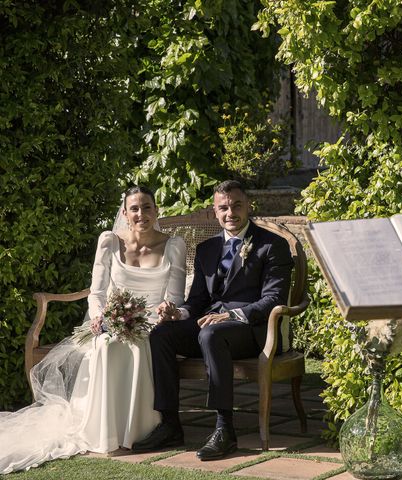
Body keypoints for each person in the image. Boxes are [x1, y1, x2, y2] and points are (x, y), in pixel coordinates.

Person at [0, 185, 187, 474]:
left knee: (139, 347)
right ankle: (105, 431)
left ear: (156, 210)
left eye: (147, 207)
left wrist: (166, 311)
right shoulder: (109, 241)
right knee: (107, 345)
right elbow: (97, 294)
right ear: (124, 213)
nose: (141, 214)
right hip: (112, 318)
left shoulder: (174, 245)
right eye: (134, 208)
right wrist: (101, 318)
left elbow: (175, 298)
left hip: (152, 324)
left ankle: (140, 430)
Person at [131, 180, 294, 460]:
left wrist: (230, 315)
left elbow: (273, 300)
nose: (230, 212)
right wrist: (178, 313)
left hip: (254, 331)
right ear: (215, 212)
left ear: (248, 206)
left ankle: (224, 429)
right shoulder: (207, 249)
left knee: (211, 334)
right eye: (223, 208)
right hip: (212, 326)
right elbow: (196, 301)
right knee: (161, 334)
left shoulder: (272, 245)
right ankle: (170, 424)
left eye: (236, 205)